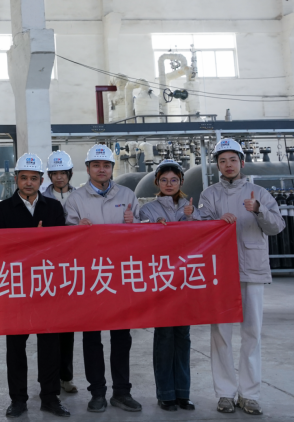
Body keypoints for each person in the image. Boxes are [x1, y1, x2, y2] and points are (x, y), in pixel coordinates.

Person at [198, 138, 284, 416]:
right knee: (221, 335)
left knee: (252, 334)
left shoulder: (259, 193)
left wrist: (259, 210)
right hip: (220, 273)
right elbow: (198, 228)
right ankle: (225, 393)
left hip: (252, 269)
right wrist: (214, 222)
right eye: (222, 161)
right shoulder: (209, 195)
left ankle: (250, 395)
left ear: (242, 163)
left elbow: (277, 226)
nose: (228, 165)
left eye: (233, 160)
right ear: (217, 165)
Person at [63, 144, 142, 414]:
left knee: (121, 337)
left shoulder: (127, 195)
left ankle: (122, 392)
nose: (101, 169)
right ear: (87, 169)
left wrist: (134, 225)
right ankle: (97, 392)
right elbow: (66, 239)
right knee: (91, 338)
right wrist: (77, 230)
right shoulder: (75, 199)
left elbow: (143, 236)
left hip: (120, 276)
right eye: (96, 165)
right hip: (91, 276)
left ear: (112, 168)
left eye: (106, 165)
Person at [0, 153, 71, 419]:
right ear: (16, 179)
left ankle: (50, 397)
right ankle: (18, 400)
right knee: (16, 347)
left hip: (45, 286)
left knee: (49, 346)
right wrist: (31, 242)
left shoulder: (53, 208)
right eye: (24, 177)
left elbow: (60, 247)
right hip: (15, 287)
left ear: (41, 180)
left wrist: (41, 243)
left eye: (34, 178)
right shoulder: (2, 210)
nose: (28, 182)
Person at [137, 159, 199, 412]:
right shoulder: (148, 210)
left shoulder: (191, 207)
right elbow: (140, 240)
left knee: (182, 336)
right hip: (161, 280)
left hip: (186, 280)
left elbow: (202, 238)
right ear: (157, 182)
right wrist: (152, 228)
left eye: (174, 180)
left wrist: (190, 218)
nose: (169, 184)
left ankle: (183, 393)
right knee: (164, 336)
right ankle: (165, 394)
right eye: (164, 180)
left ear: (181, 182)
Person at [41, 150, 78, 395]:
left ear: (69, 174)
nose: (59, 177)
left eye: (63, 173)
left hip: (73, 269)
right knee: (48, 329)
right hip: (47, 270)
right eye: (54, 173)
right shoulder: (41, 198)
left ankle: (66, 376)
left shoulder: (80, 196)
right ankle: (48, 378)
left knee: (67, 328)